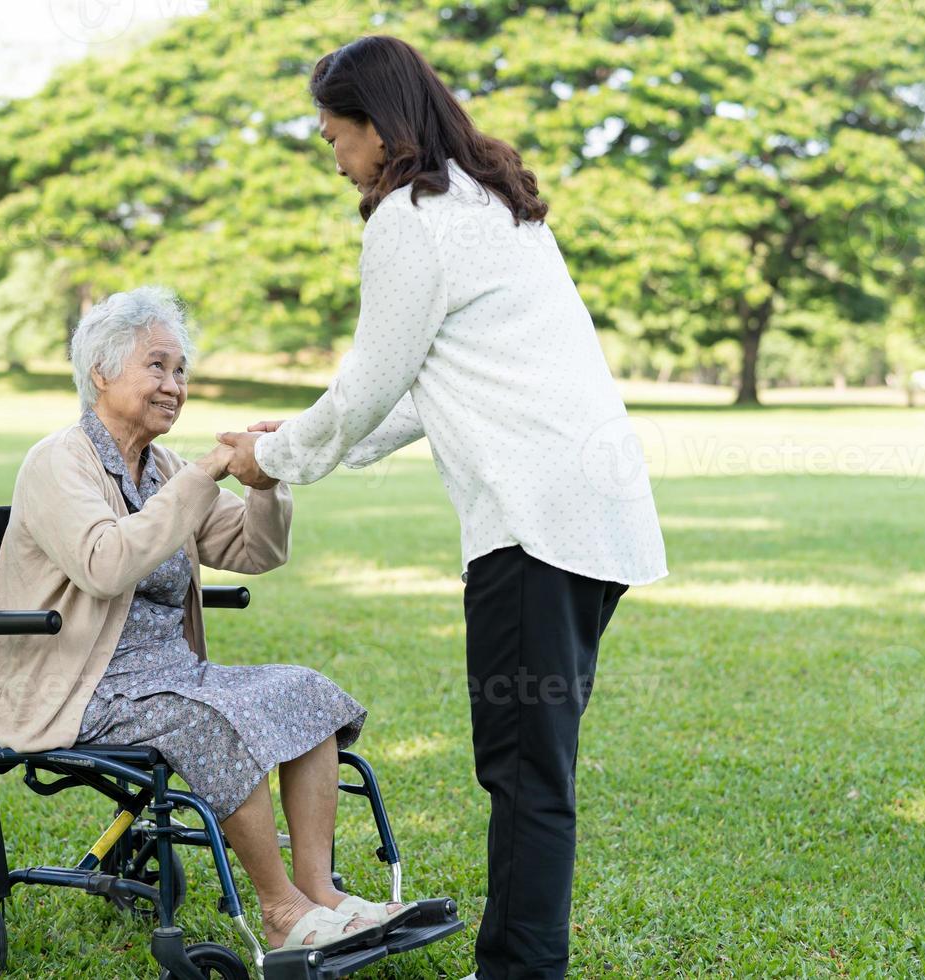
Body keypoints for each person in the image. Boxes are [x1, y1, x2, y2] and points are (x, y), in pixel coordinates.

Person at [217, 35, 669, 980]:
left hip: (533, 524)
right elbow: (422, 392)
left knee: (524, 771)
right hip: (597, 518)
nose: (334, 157)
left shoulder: (410, 219)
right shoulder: (488, 203)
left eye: (337, 136)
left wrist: (269, 459)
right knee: (532, 765)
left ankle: (518, 973)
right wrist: (293, 447)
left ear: (380, 130)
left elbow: (370, 387)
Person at [0, 286, 411, 952]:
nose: (174, 385)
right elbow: (104, 563)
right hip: (81, 685)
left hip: (169, 675)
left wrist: (264, 483)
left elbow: (255, 550)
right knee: (211, 720)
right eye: (157, 366)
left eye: (180, 371)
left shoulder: (163, 469)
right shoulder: (57, 462)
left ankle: (318, 895)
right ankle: (279, 913)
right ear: (101, 372)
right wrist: (206, 474)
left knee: (307, 691)